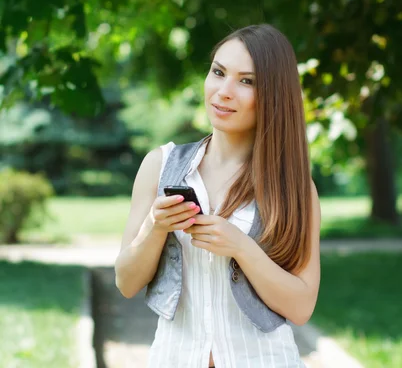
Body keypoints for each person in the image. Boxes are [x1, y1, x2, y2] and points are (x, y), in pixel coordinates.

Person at [115, 24, 321, 368]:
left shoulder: (294, 187)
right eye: (218, 72)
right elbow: (125, 282)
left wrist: (242, 247)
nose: (223, 91)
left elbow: (301, 307)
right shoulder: (160, 165)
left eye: (247, 81)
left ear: (274, 93)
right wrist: (156, 225)